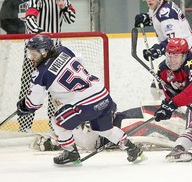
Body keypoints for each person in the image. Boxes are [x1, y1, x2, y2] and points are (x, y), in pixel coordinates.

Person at [15, 34, 145, 165]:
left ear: (44, 52)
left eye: (34, 54)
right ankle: (132, 148)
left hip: (87, 105)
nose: (31, 58)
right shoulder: (63, 50)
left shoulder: (40, 73)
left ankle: (70, 152)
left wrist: (23, 107)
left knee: (57, 121)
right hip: (103, 95)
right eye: (29, 53)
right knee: (104, 130)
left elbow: (33, 104)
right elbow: (79, 60)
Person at [18, 0, 76, 132]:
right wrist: (40, 33)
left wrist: (64, 7)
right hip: (35, 50)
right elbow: (29, 17)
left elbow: (71, 18)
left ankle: (54, 124)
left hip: (55, 50)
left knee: (56, 88)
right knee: (29, 86)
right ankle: (25, 126)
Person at [134, 0, 192, 99]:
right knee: (160, 86)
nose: (149, 0)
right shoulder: (160, 7)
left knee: (161, 87)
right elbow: (158, 19)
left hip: (189, 54)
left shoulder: (166, 14)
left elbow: (175, 42)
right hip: (181, 53)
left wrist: (158, 49)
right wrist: (147, 18)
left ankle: (177, 109)